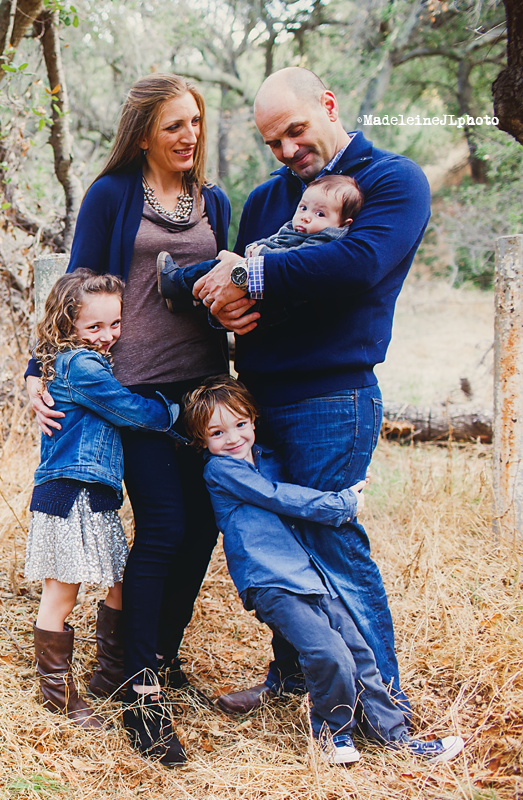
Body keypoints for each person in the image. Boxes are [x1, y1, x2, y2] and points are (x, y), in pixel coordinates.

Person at [190, 67, 431, 716]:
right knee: (282, 544)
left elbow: (356, 267)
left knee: (334, 547)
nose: (288, 151)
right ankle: (297, 680)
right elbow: (237, 283)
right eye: (273, 142)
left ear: (328, 104)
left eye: (296, 131)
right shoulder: (269, 199)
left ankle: (385, 710)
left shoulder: (391, 181)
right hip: (260, 396)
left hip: (332, 399)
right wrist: (226, 308)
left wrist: (253, 273)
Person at [25, 73, 230, 765]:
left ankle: (150, 661)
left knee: (202, 527)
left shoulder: (215, 201)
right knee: (166, 526)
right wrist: (37, 370)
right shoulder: (113, 195)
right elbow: (74, 286)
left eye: (196, 122)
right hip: (138, 394)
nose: (189, 135)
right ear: (143, 131)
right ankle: (142, 696)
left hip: (199, 392)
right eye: (175, 124)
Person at [182, 377, 465, 765]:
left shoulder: (270, 459)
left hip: (311, 575)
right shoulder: (221, 471)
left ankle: (395, 737)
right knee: (329, 653)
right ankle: (333, 736)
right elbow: (278, 496)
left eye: (240, 424)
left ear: (253, 420)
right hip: (271, 581)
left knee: (361, 654)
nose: (232, 438)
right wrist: (340, 504)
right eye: (217, 432)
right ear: (202, 440)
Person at [26, 269, 181, 733]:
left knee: (118, 582)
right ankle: (58, 695)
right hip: (69, 491)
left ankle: (110, 674)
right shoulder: (81, 366)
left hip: (94, 493)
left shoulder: (82, 359)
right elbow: (130, 411)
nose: (108, 336)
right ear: (66, 323)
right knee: (62, 592)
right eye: (94, 327)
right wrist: (176, 409)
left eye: (115, 325)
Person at [157, 175, 363, 315]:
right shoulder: (294, 224)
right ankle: (190, 298)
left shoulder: (326, 239)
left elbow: (300, 258)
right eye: (303, 207)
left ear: (343, 224)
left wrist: (259, 255)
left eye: (320, 213)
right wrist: (256, 248)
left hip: (276, 297)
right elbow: (276, 241)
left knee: (217, 268)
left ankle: (176, 282)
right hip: (262, 287)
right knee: (224, 272)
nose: (306, 217)